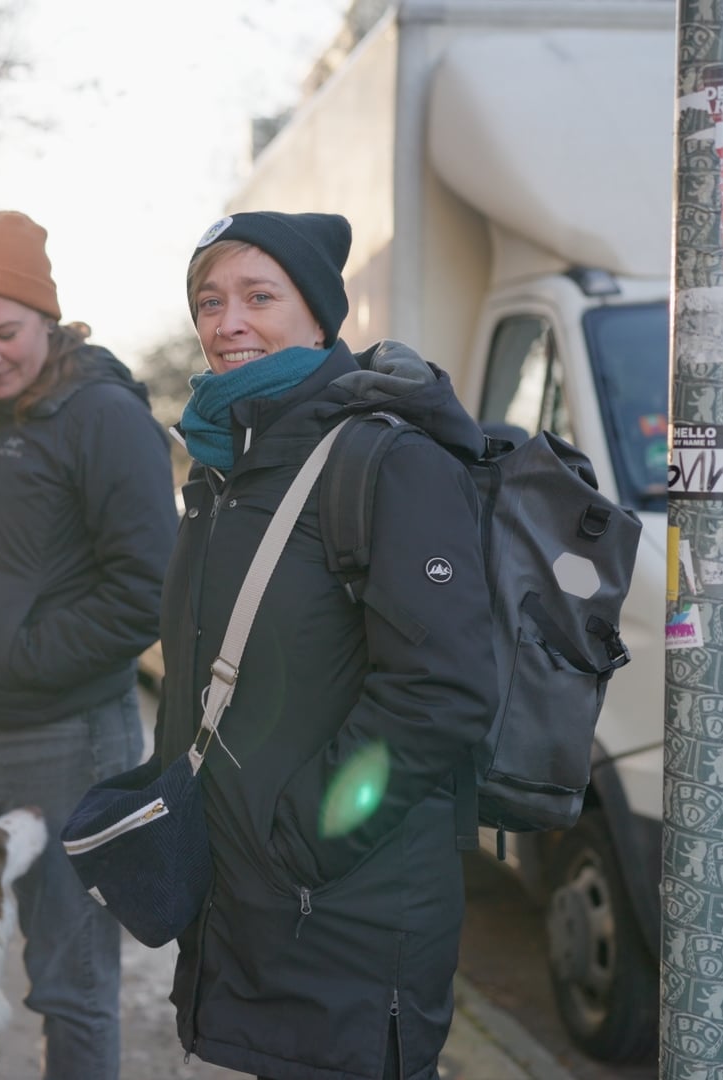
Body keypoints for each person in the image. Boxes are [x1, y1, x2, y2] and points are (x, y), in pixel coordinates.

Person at [154, 211, 499, 1080]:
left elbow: (442, 690)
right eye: (209, 301)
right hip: (251, 908)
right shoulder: (226, 468)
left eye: (258, 297)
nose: (228, 322)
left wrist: (307, 838)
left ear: (318, 315)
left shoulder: (386, 461)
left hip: (343, 917)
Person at [0, 210, 177, 1079]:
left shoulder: (104, 417)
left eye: (6, 332)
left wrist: (19, 662)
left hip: (65, 742)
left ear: (48, 319)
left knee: (70, 983)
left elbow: (148, 590)